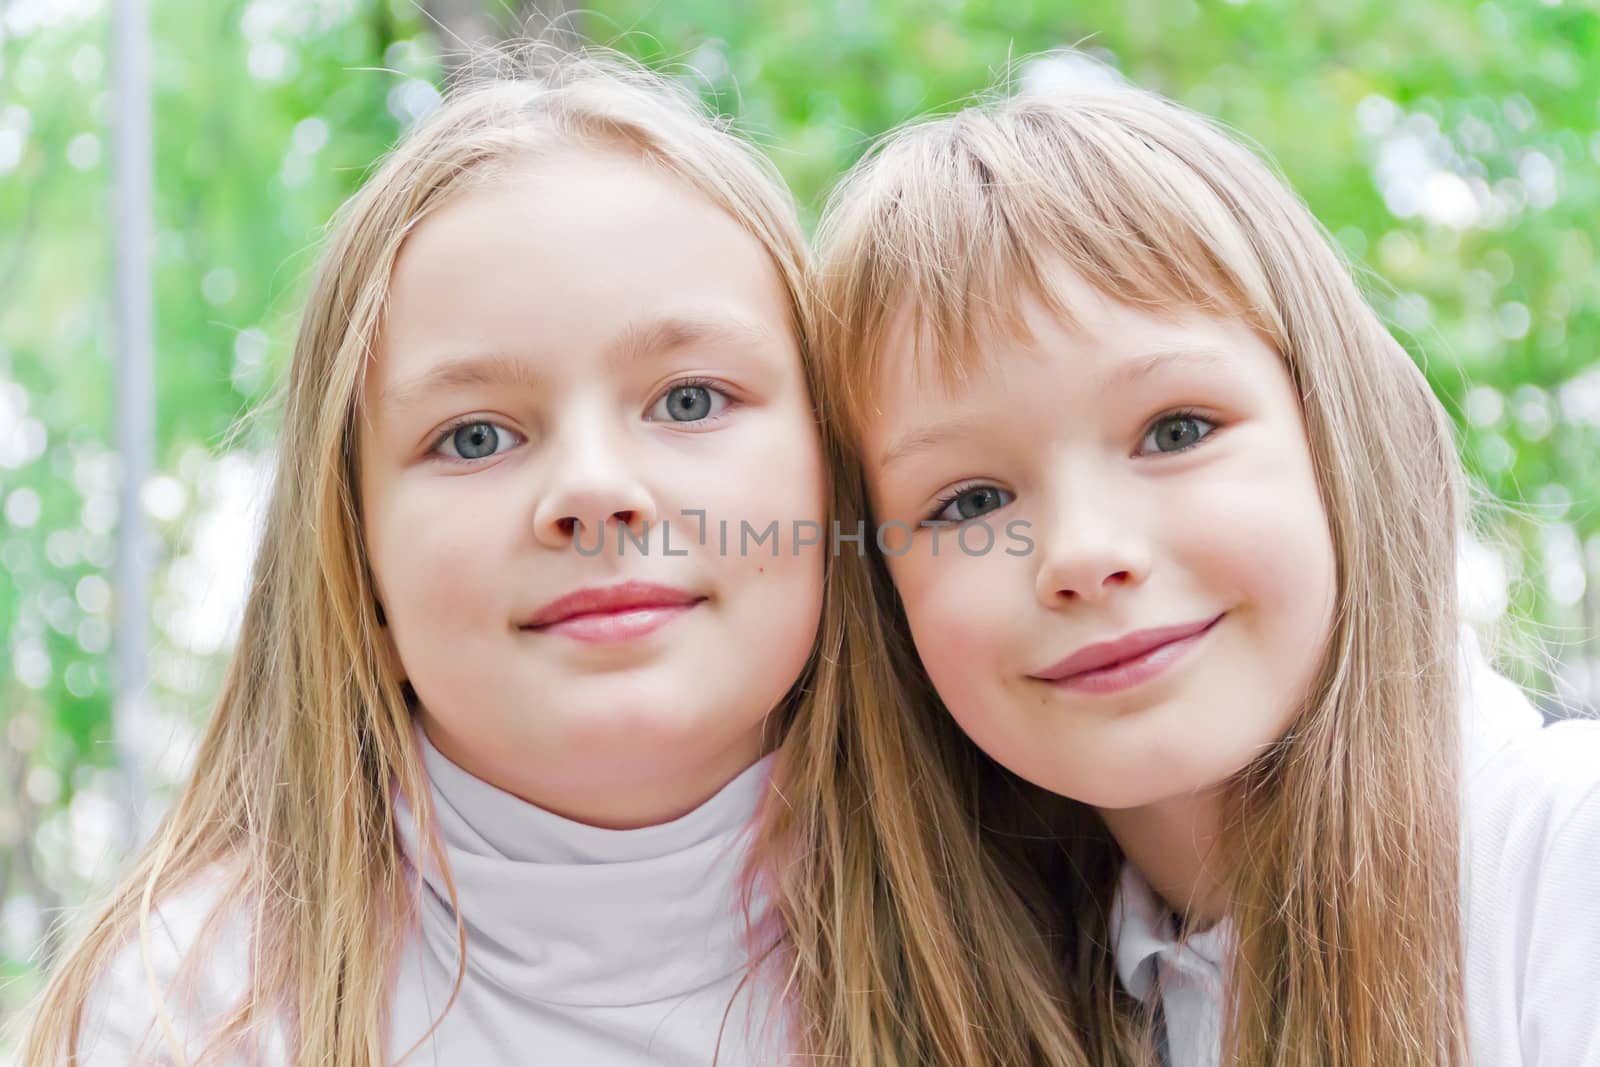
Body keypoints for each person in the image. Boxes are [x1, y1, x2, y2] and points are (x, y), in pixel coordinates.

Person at [19, 49, 1089, 1067]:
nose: (593, 488)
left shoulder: (1062, 916)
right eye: (475, 435)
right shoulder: (195, 1006)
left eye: (689, 399)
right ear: (358, 571)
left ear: (833, 479)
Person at [814, 61, 1600, 1066]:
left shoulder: (1561, 857)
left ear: (1335, 434)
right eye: (970, 502)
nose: (1085, 553)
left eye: (1175, 427)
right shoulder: (946, 993)